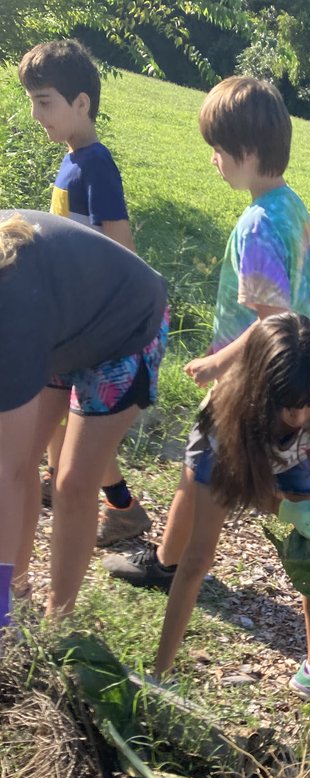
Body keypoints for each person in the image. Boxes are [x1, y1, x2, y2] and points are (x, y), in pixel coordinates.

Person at [103, 76, 310, 705]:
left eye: (217, 149)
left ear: (244, 153)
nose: (212, 160)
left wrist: (218, 368)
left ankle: (162, 663)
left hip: (253, 402)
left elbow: (271, 322)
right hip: (300, 395)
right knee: (309, 535)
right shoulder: (295, 208)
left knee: (223, 548)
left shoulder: (257, 225)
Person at [150, 312, 310, 690]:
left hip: (292, 455)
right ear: (262, 392)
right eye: (288, 406)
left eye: (309, 405)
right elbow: (241, 484)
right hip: (231, 458)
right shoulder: (227, 420)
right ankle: (159, 674)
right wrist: (283, 506)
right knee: (197, 557)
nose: (299, 416)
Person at [0, 211, 167, 635]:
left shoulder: (11, 312)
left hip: (126, 326)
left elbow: (6, 475)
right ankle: (14, 601)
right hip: (61, 325)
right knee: (21, 461)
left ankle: (58, 625)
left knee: (72, 480)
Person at [17, 37, 152, 550]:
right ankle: (119, 507)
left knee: (60, 434)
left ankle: (109, 507)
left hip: (90, 329)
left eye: (45, 102)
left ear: (82, 104)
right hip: (64, 325)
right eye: (32, 102)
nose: (36, 115)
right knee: (55, 431)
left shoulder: (95, 165)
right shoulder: (72, 160)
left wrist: (99, 324)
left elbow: (119, 249)